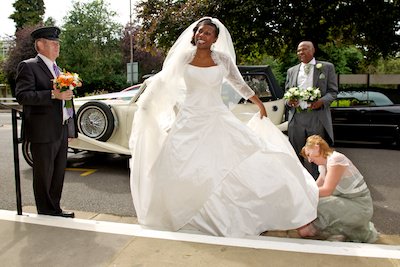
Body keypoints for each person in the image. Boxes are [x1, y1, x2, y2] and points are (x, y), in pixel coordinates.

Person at [129, 17, 319, 237]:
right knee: (183, 167)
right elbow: (164, 80)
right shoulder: (183, 57)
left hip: (216, 117)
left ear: (215, 39)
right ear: (194, 34)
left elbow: (238, 83)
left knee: (244, 158)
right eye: (200, 31)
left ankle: (272, 210)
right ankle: (193, 215)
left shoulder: (222, 60)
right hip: (189, 121)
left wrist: (258, 103)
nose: (202, 35)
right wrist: (146, 103)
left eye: (208, 33)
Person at [15, 26, 77, 218]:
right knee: (44, 173)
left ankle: (55, 208)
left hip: (61, 128)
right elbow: (23, 96)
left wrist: (71, 128)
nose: (57, 46)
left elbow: (65, 99)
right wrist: (52, 94)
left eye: (58, 43)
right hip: (42, 130)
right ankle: (46, 210)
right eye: (53, 43)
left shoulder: (58, 69)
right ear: (40, 45)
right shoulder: (28, 66)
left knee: (58, 172)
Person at [297, 135, 378, 243]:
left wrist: (303, 194)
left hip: (360, 208)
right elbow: (315, 187)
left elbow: (326, 190)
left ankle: (330, 231)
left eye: (308, 154)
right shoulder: (324, 165)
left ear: (316, 147)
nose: (310, 160)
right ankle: (337, 232)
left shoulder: (336, 159)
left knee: (317, 203)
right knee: (310, 204)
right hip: (346, 204)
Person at [285, 41, 338, 179]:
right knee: (296, 154)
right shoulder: (291, 71)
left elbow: (333, 92)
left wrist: (321, 101)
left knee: (317, 153)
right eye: (298, 50)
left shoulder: (326, 68)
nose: (301, 52)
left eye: (305, 49)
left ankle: (318, 184)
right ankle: (299, 183)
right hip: (296, 118)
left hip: (317, 118)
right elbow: (285, 94)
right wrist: (289, 101)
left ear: (313, 50)